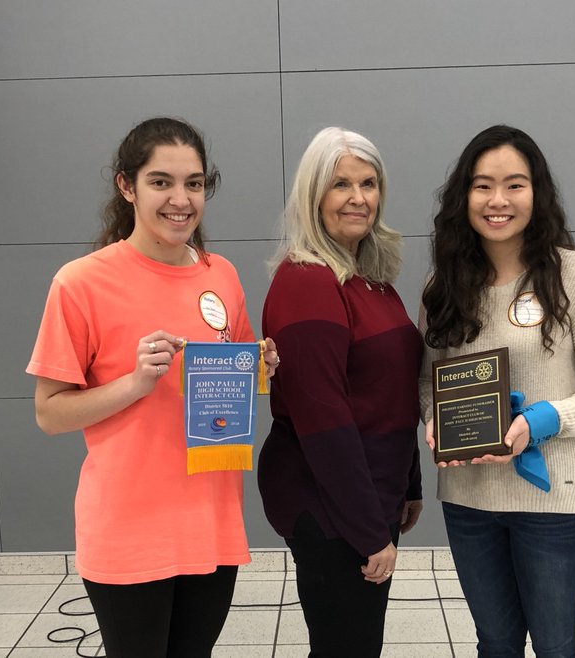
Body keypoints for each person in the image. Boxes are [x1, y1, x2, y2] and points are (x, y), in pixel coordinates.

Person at [26, 117, 278, 658]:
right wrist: (134, 383)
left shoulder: (222, 274)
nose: (180, 200)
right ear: (126, 186)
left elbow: (235, 379)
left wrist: (261, 368)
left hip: (211, 518)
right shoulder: (81, 282)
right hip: (129, 527)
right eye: (160, 182)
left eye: (193, 183)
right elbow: (49, 413)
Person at [418, 125, 575, 658]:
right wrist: (433, 417)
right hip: (468, 499)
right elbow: (428, 380)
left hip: (554, 498)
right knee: (495, 643)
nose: (497, 200)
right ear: (462, 196)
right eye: (482, 185)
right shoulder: (442, 286)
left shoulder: (574, 276)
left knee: (557, 646)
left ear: (537, 192)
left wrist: (540, 421)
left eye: (514, 184)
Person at [258, 127, 424, 657]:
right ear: (314, 196)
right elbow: (322, 419)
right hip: (332, 506)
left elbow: (393, 390)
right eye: (340, 185)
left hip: (373, 492)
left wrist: (409, 482)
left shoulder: (371, 281)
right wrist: (367, 530)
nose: (358, 198)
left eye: (369, 183)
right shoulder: (307, 281)